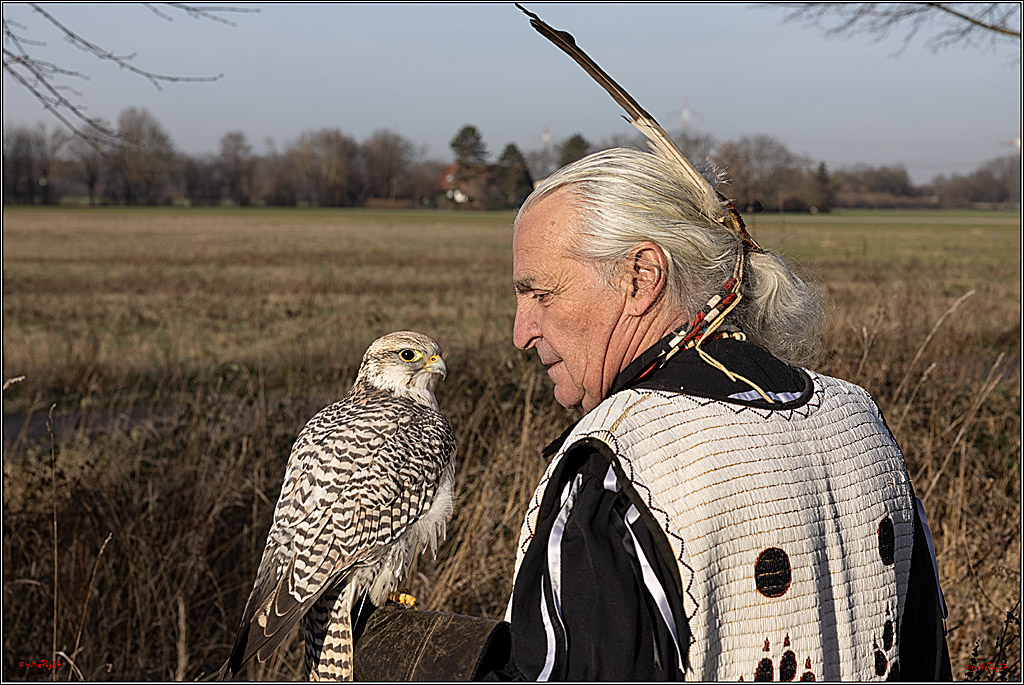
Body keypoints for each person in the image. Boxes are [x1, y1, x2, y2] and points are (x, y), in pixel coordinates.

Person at [353, 145, 951, 681]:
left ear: (641, 278)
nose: (521, 332)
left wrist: (414, 662)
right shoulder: (859, 419)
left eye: (541, 293)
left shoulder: (615, 465)